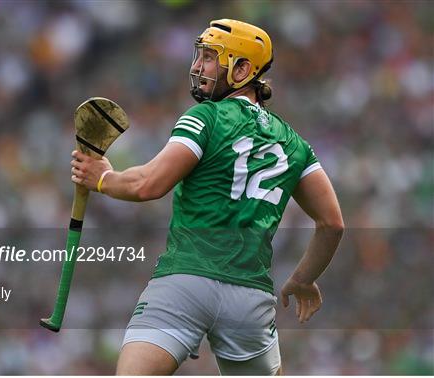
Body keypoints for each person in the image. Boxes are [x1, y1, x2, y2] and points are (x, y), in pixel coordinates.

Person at [70, 19, 344, 375]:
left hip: (184, 282)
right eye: (198, 56)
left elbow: (149, 185)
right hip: (250, 299)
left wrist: (104, 178)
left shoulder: (206, 117)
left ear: (243, 69)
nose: (198, 66)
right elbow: (333, 223)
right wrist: (304, 278)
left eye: (211, 58)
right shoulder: (294, 143)